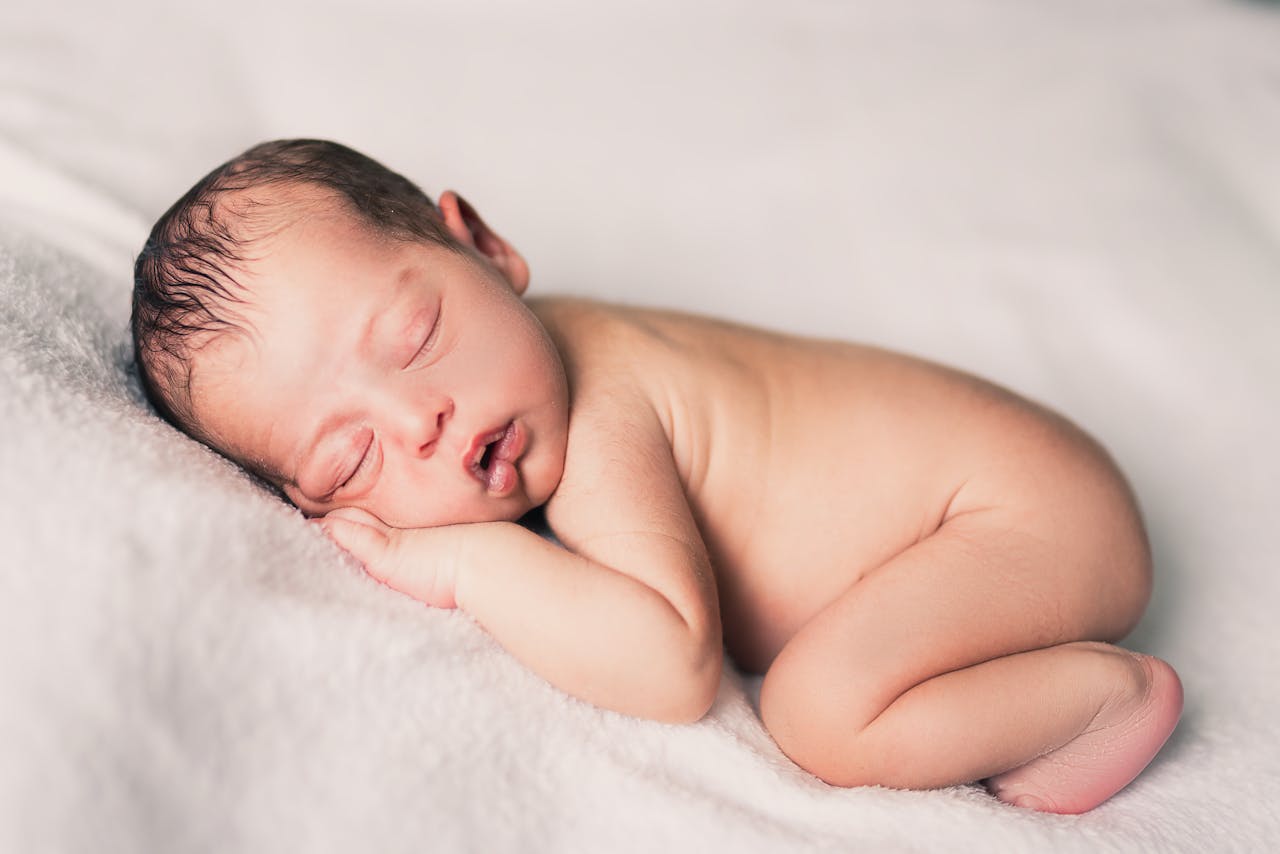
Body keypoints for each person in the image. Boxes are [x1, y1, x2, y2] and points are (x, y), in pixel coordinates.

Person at [131, 139, 1182, 814]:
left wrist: (460, 561)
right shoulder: (526, 385)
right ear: (309, 505)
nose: (420, 418)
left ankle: (1102, 697)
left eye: (416, 335)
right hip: (1009, 497)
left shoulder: (596, 403)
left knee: (819, 710)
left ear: (485, 247)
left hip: (1021, 511)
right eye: (349, 455)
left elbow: (669, 662)